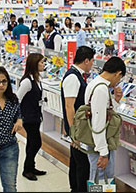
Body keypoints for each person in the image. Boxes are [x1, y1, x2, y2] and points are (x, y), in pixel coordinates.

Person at [84, 57, 125, 181]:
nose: (117, 82)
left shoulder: (95, 83)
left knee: (98, 177)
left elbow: (102, 111)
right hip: (100, 142)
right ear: (118, 73)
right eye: (119, 78)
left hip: (95, 141)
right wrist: (103, 152)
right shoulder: (101, 89)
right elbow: (98, 122)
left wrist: (115, 101)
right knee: (102, 178)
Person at [61, 46, 95, 192]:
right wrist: (74, 132)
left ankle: (75, 188)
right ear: (86, 60)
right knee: (82, 164)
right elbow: (69, 106)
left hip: (77, 129)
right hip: (77, 131)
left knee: (76, 162)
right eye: (92, 61)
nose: (92, 65)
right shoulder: (73, 77)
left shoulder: (77, 75)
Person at [0, 66, 22, 192]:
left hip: (9, 148)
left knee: (10, 186)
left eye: (4, 81)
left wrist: (19, 120)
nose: (1, 85)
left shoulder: (12, 99)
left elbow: (19, 114)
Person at [16, 53, 45, 181]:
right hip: (29, 117)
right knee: (35, 143)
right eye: (42, 62)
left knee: (32, 143)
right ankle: (27, 169)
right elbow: (17, 99)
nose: (44, 65)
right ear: (35, 64)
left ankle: (30, 167)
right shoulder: (27, 81)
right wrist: (18, 117)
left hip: (35, 116)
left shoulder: (36, 79)